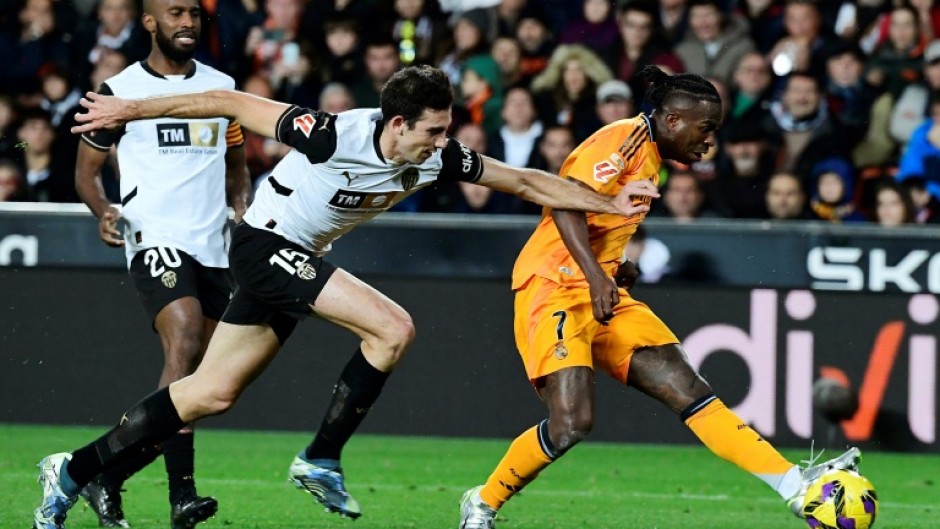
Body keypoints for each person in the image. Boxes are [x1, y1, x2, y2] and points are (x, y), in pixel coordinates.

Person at [33, 64, 660, 529]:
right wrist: (127, 112)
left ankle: (73, 471)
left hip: (292, 259)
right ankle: (320, 458)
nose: (442, 144)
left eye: (446, 132)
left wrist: (608, 201)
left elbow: (524, 180)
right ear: (396, 124)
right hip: (262, 245)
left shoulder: (438, 159)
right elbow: (226, 99)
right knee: (392, 327)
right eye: (433, 132)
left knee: (209, 393)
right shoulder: (330, 134)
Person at [457, 66, 861, 529]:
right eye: (705, 129)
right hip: (554, 288)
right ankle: (482, 503)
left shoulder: (651, 155)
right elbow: (565, 200)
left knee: (689, 390)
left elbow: (602, 218)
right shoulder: (622, 141)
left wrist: (615, 266)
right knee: (572, 423)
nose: (709, 142)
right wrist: (595, 275)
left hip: (599, 287)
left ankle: (794, 486)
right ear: (672, 120)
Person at [70, 0, 250, 528]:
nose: (187, 22)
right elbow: (87, 173)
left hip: (213, 246)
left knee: (206, 385)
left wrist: (243, 211)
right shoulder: (119, 89)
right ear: (149, 22)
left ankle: (105, 475)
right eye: (174, 13)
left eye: (193, 13)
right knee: (186, 337)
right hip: (154, 238)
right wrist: (104, 212)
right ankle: (182, 496)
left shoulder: (222, 87)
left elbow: (237, 167)